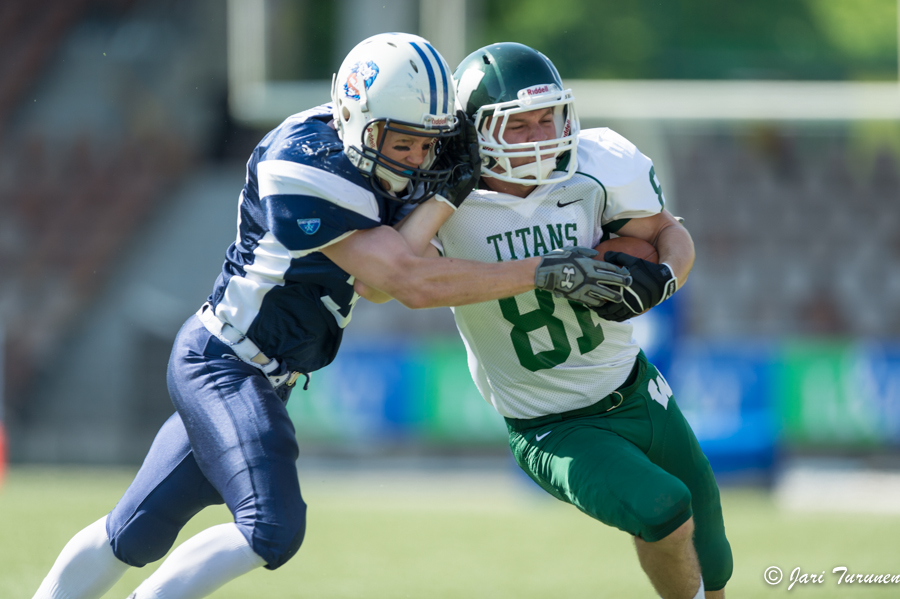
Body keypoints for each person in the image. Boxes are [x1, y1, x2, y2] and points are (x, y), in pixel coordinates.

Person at [31, 33, 630, 599]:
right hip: (225, 364)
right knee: (272, 527)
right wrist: (542, 269)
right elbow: (398, 280)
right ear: (356, 121)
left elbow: (379, 285)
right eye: (404, 144)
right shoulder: (302, 161)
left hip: (261, 373)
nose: (419, 158)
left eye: (429, 144)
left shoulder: (401, 143)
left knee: (134, 532)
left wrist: (449, 190)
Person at [356, 42, 732, 599]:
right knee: (665, 509)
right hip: (551, 424)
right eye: (519, 126)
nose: (541, 136)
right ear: (475, 133)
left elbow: (669, 233)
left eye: (547, 118)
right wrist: (464, 209)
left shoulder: (596, 165)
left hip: (637, 388)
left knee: (714, 558)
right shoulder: (442, 194)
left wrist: (666, 277)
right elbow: (380, 285)